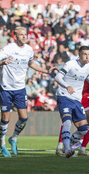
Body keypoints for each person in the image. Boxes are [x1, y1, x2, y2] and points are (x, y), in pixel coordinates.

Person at [0, 27, 56, 157]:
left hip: (20, 88)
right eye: (21, 35)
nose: (24, 37)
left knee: (24, 118)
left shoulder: (28, 50)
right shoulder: (9, 48)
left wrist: (46, 71)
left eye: (26, 34)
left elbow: (31, 63)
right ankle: (2, 143)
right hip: (6, 88)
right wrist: (3, 62)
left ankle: (13, 138)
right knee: (5, 118)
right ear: (15, 36)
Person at [54, 46, 89, 158]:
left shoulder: (88, 67)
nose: (87, 56)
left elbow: (88, 77)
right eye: (85, 54)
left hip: (77, 99)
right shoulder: (70, 64)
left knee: (83, 129)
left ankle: (68, 147)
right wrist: (67, 86)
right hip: (64, 96)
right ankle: (68, 149)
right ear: (79, 55)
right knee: (67, 122)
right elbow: (58, 77)